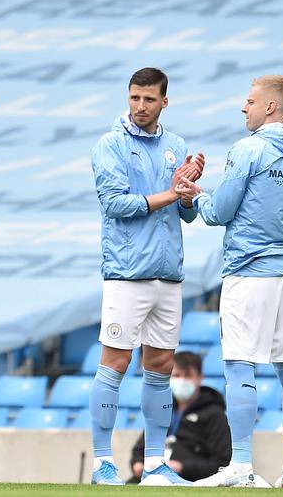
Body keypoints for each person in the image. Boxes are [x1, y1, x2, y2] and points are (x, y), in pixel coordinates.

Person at [178, 75, 283, 489]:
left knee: (240, 364)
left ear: (271, 106)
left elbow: (218, 212)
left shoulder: (248, 150)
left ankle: (240, 466)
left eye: (251, 100)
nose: (244, 107)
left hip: (248, 270)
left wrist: (195, 195)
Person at [87, 67, 203, 486]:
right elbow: (115, 204)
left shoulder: (176, 146)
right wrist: (173, 192)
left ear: (164, 102)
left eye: (149, 99)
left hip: (167, 274)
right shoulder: (110, 145)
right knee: (115, 363)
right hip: (127, 272)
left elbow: (186, 214)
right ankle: (102, 462)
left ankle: (155, 463)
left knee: (161, 366)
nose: (140, 106)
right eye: (134, 97)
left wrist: (187, 193)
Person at [129, 352, 231, 483]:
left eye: (188, 375)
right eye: (177, 375)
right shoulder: (161, 409)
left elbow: (221, 463)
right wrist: (137, 464)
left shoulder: (215, 415)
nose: (182, 380)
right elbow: (140, 449)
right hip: (151, 477)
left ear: (200, 378)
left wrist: (182, 467)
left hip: (190, 482)